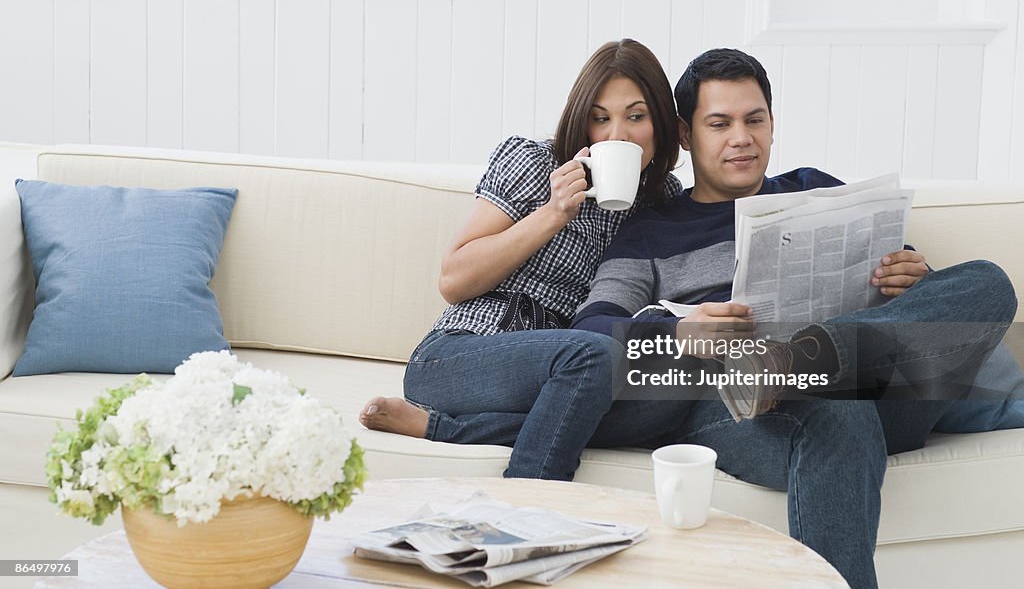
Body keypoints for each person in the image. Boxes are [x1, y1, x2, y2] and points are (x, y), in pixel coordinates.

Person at [572, 48, 1017, 589]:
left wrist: (913, 274)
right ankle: (796, 369)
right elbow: (591, 334)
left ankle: (796, 359)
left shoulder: (817, 188)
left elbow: (930, 316)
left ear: (773, 124)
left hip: (886, 387)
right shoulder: (650, 232)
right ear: (686, 135)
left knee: (987, 281)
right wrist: (679, 332)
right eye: (720, 124)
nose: (741, 137)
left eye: (754, 120)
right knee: (837, 410)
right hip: (744, 410)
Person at [359, 38, 685, 481]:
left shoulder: (663, 202)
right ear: (581, 121)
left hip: (563, 378)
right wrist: (552, 214)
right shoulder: (533, 161)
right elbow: (454, 280)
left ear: (661, 124)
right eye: (600, 118)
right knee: (597, 357)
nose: (617, 136)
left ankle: (444, 429)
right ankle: (527, 508)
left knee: (671, 400)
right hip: (461, 355)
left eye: (636, 116)